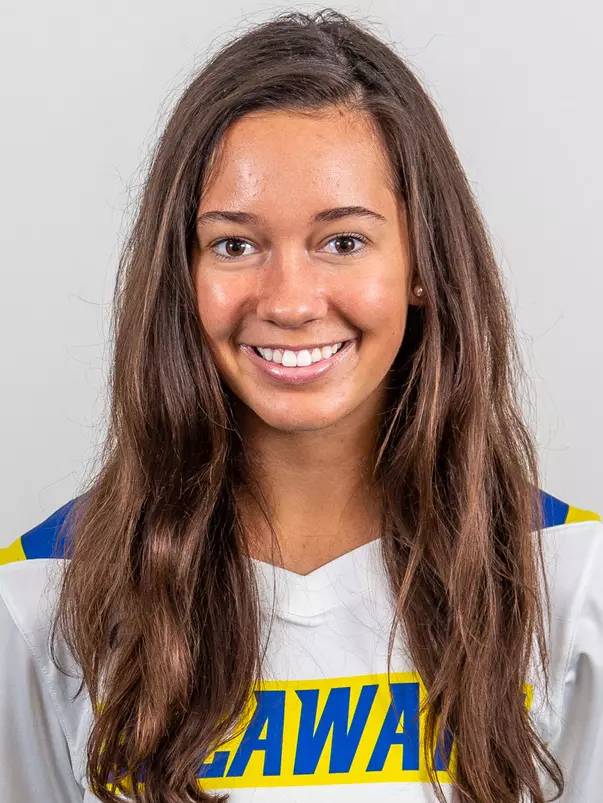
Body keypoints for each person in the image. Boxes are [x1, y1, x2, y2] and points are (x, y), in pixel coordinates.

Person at [0, 9, 601, 803]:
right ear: (181, 273)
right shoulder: (44, 592)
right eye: (235, 244)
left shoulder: (565, 578)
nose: (288, 301)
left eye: (342, 241)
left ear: (422, 263)